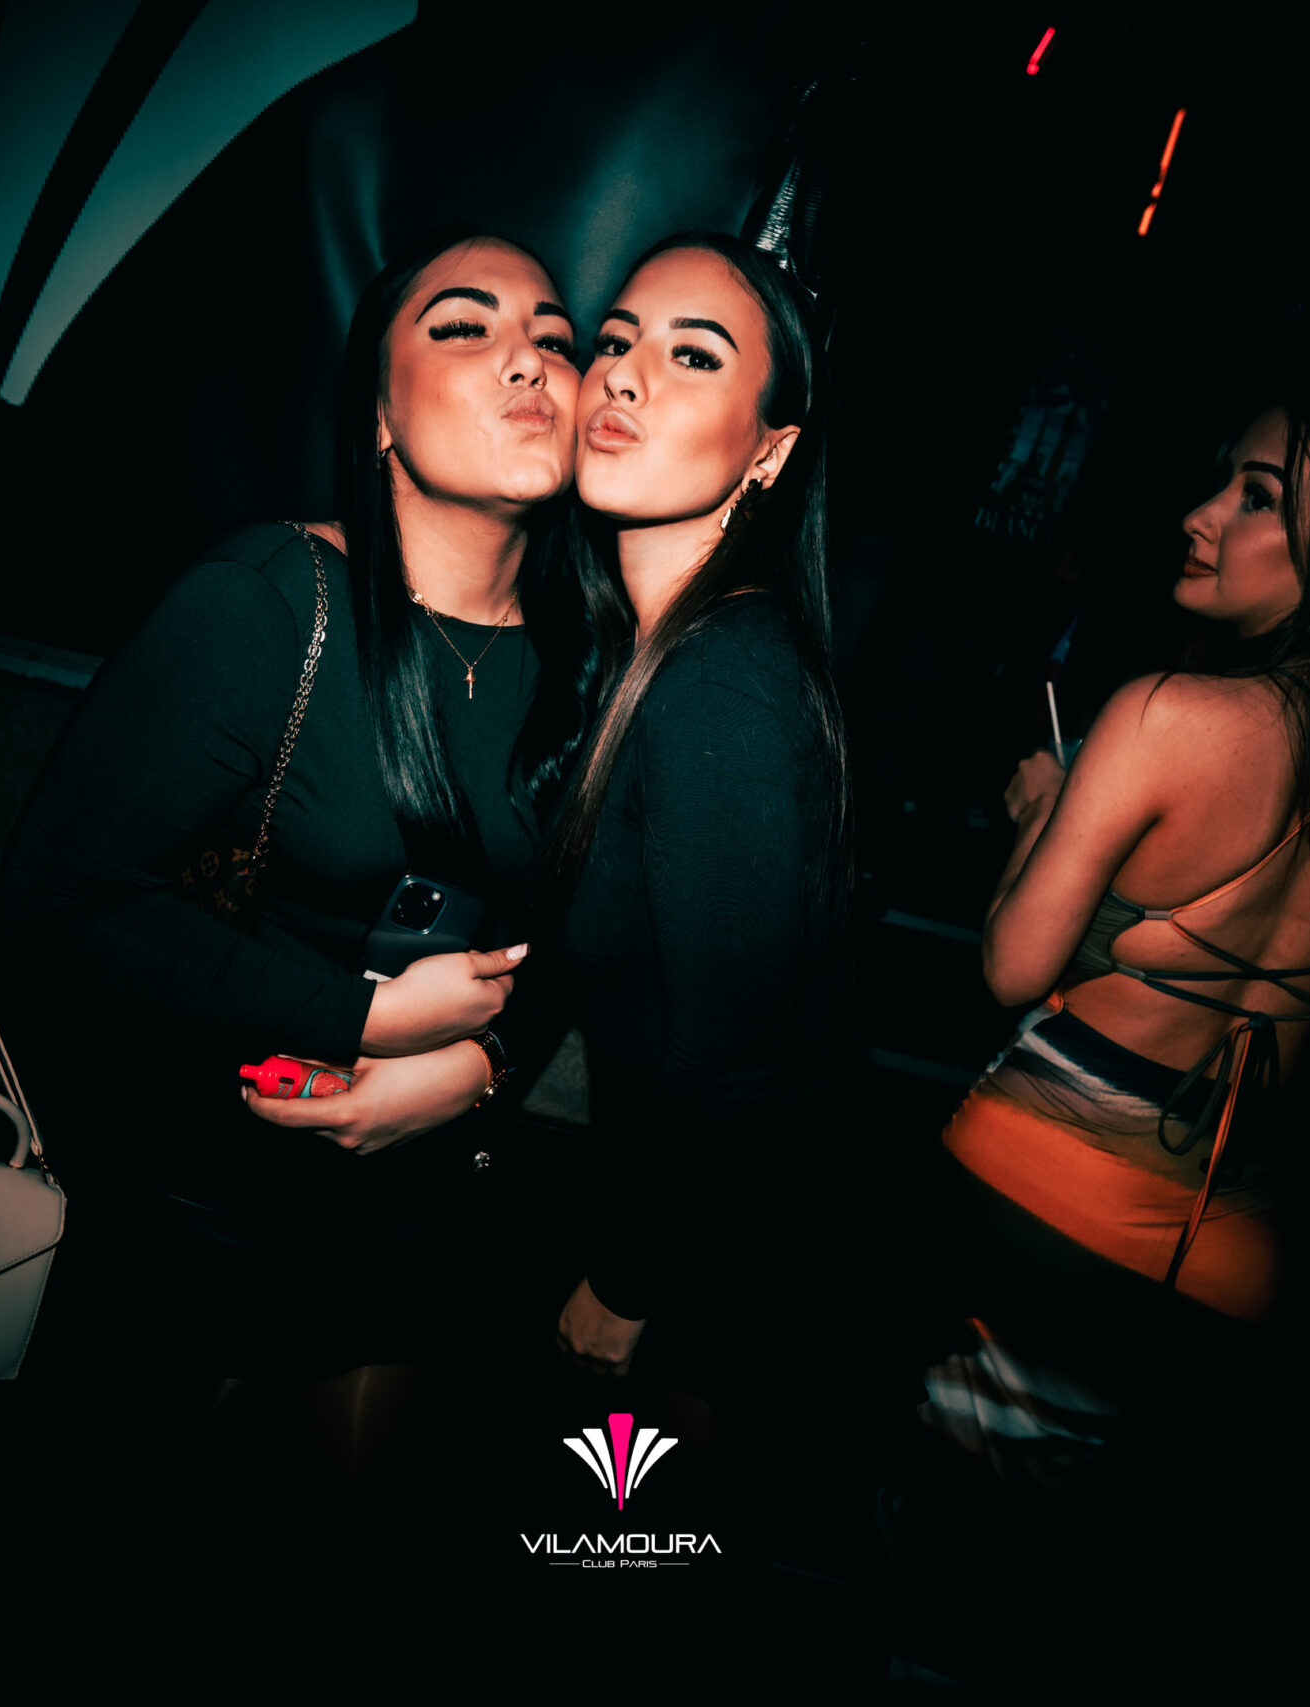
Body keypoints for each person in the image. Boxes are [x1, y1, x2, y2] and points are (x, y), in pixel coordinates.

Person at [0, 229, 594, 1473]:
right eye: (465, 327)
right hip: (215, 1185)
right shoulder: (266, 601)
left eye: (554, 338)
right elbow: (61, 902)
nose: (529, 360)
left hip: (424, 1190)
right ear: (378, 413)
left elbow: (579, 933)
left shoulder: (590, 658)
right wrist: (362, 1018)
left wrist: (477, 1066)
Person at [919, 386, 1310, 1478]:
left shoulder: (1164, 714)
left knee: (892, 1470)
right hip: (1231, 1261)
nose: (1200, 514)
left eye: (1255, 497)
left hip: (1028, 1194)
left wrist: (1038, 818)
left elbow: (1011, 969)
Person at [537, 232, 850, 1407]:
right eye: (614, 342)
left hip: (705, 1266)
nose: (621, 375)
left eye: (693, 355)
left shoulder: (724, 681)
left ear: (770, 450)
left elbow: (736, 1058)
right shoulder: (649, 650)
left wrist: (626, 1286)